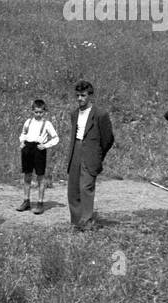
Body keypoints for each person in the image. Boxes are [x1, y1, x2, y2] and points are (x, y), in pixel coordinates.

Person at [64, 80, 115, 231]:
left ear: (90, 96)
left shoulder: (100, 114)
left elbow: (108, 139)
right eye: (77, 95)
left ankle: (86, 222)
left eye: (83, 95)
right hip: (76, 151)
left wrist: (98, 155)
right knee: (73, 189)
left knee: (86, 187)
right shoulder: (74, 114)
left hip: (91, 153)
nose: (80, 98)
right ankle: (76, 222)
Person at [17, 99, 59, 214]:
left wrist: (45, 145)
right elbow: (23, 133)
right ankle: (26, 201)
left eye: (41, 112)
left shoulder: (47, 124)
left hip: (39, 149)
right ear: (32, 111)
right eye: (36, 112)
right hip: (27, 148)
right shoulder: (28, 122)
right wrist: (22, 141)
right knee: (27, 175)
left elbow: (56, 138)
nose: (38, 114)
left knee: (40, 177)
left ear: (44, 111)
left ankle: (40, 203)